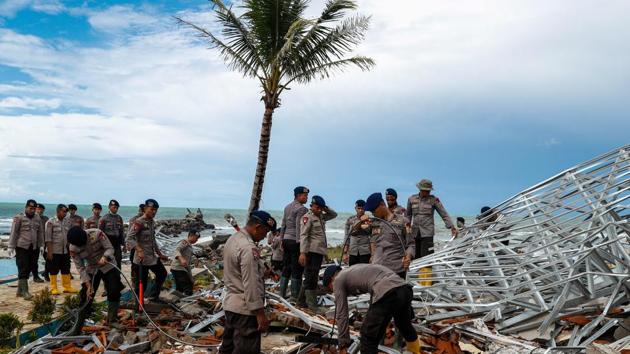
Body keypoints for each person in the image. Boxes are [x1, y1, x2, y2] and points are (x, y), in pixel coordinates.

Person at [322, 264, 421, 354]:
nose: (332, 290)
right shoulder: (354, 270)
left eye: (330, 288)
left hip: (388, 291)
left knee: (367, 338)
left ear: (331, 279)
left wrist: (343, 343)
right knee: (403, 324)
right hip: (405, 289)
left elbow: (342, 313)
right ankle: (417, 352)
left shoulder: (338, 280)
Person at [220, 210, 277, 354]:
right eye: (265, 232)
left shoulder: (233, 239)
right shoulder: (248, 248)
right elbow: (250, 283)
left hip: (230, 305)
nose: (265, 236)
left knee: (228, 348)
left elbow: (238, 271)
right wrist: (260, 314)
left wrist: (262, 272)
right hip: (246, 310)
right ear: (258, 227)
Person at [67, 226, 121, 335]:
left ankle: (112, 320)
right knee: (86, 296)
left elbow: (110, 248)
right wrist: (87, 284)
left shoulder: (97, 234)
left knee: (114, 290)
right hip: (92, 268)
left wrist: (105, 257)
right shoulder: (73, 248)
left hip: (108, 265)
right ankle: (78, 325)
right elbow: (80, 267)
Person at [298, 195, 337, 312]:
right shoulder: (307, 217)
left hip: (319, 251)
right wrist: (303, 253)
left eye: (321, 208)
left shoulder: (321, 216)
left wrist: (325, 208)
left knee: (312, 276)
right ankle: (312, 306)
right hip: (311, 251)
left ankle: (300, 302)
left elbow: (334, 215)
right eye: (317, 207)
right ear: (312, 206)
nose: (319, 210)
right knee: (311, 277)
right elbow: (304, 235)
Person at [363, 192, 414, 279]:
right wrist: (361, 219)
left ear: (382, 204)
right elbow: (354, 231)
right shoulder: (373, 222)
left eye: (374, 210)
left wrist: (408, 256)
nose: (373, 214)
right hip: (377, 270)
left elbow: (411, 244)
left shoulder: (403, 222)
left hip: (396, 270)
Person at [127, 199, 169, 303]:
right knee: (142, 284)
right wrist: (139, 249)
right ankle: (138, 306)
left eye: (155, 210)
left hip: (151, 257)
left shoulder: (151, 222)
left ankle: (153, 296)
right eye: (151, 209)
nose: (154, 212)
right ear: (145, 209)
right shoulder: (139, 222)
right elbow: (129, 238)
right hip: (141, 259)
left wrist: (160, 254)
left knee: (162, 273)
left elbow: (153, 240)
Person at [406, 179, 457, 260]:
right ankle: (414, 273)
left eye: (428, 191)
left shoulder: (434, 200)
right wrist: (407, 225)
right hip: (414, 233)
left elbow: (443, 214)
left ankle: (427, 272)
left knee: (427, 258)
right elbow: (408, 215)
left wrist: (452, 227)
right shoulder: (411, 199)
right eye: (425, 190)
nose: (427, 192)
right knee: (414, 257)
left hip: (427, 234)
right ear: (420, 189)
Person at [8, 199, 43, 300]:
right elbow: (14, 232)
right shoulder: (18, 218)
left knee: (30, 267)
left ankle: (19, 291)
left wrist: (41, 245)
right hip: (22, 247)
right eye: (30, 208)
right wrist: (11, 246)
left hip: (34, 247)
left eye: (34, 208)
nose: (32, 210)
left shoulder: (37, 218)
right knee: (23, 268)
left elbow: (40, 232)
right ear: (26, 207)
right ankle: (25, 292)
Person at [279, 186, 309, 301]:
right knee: (297, 268)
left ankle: (281, 294)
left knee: (286, 267)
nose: (306, 198)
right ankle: (294, 296)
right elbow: (299, 227)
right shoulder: (302, 209)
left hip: (286, 239)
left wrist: (281, 239)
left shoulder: (287, 207)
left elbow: (283, 224)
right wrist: (301, 243)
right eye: (304, 195)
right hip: (295, 240)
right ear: (298, 196)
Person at [45, 204, 78, 295]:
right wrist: (49, 252)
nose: (65, 213)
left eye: (66, 212)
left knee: (66, 268)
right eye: (64, 211)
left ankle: (67, 287)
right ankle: (53, 288)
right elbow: (48, 238)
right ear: (58, 211)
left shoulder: (67, 221)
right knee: (53, 269)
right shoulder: (50, 222)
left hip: (65, 250)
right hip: (54, 250)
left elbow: (69, 235)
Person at [171, 230, 201, 295]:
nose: (197, 240)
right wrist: (181, 258)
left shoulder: (189, 246)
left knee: (180, 288)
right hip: (178, 268)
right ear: (191, 236)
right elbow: (177, 250)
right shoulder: (184, 242)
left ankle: (176, 300)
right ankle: (188, 301)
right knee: (188, 287)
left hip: (182, 269)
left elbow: (188, 264)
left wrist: (190, 277)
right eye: (196, 238)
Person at [342, 200, 371, 266]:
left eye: (362, 208)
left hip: (365, 251)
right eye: (359, 208)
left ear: (365, 209)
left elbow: (371, 234)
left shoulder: (369, 220)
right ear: (355, 208)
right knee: (352, 272)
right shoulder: (350, 219)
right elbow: (347, 236)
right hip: (353, 251)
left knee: (364, 272)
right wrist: (345, 253)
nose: (360, 210)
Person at [33, 203, 48, 283]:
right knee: (34, 260)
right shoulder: (32, 218)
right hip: (34, 243)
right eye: (38, 209)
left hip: (45, 242)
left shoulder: (46, 219)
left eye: (41, 209)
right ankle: (35, 276)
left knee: (48, 259)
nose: (39, 211)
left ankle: (46, 273)